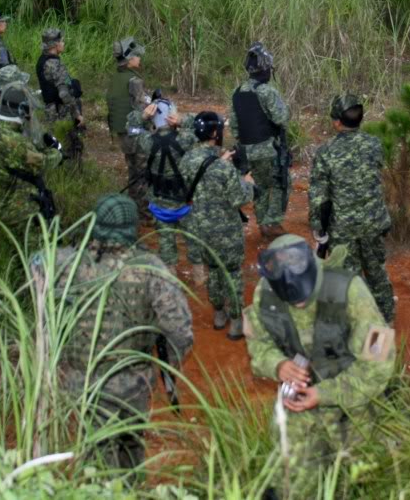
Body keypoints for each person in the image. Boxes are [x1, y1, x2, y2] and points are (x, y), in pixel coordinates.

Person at [45, 193, 193, 475]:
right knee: (130, 448)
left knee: (96, 455)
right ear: (133, 227)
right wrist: (165, 365)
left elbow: (43, 306)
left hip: (81, 381)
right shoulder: (150, 269)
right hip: (132, 382)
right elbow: (179, 330)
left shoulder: (64, 263)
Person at [243, 235, 396, 497]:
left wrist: (325, 394)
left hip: (352, 403)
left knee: (359, 484)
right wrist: (277, 365)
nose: (299, 305)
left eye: (305, 297)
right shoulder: (266, 293)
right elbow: (258, 344)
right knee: (289, 487)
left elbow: (380, 364)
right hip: (297, 406)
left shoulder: (349, 290)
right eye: (292, 301)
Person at [308, 94, 395, 323]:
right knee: (377, 272)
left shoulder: (325, 152)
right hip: (374, 222)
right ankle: (386, 319)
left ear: (336, 122)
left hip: (343, 227)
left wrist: (318, 229)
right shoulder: (374, 144)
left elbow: (319, 196)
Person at [180, 111, 254, 339]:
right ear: (215, 133)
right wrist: (248, 182)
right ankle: (235, 322)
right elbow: (239, 198)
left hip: (200, 228)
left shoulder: (186, 161)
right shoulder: (223, 168)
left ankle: (218, 314)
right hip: (226, 230)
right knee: (231, 273)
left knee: (213, 270)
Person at [130, 97, 204, 277]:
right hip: (184, 202)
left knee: (165, 241)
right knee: (192, 240)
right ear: (172, 117)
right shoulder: (185, 139)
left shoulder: (146, 141)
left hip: (159, 204)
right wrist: (183, 120)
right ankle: (199, 276)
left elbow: (131, 128)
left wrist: (142, 116)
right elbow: (204, 124)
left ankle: (170, 274)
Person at [0, 66, 62, 229]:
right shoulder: (15, 141)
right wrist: (57, 152)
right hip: (20, 208)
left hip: (1, 196)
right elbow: (42, 163)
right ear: (20, 109)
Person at [229, 42, 291, 238]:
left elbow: (234, 126)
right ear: (265, 68)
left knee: (260, 186)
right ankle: (272, 224)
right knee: (282, 183)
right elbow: (281, 118)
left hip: (247, 151)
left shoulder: (237, 92)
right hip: (267, 148)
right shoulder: (267, 91)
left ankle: (263, 223)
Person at [106, 37, 149, 214]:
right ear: (130, 59)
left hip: (122, 131)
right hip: (135, 131)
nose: (139, 59)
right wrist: (151, 108)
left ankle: (133, 206)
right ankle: (144, 212)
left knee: (132, 170)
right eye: (137, 56)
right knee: (142, 172)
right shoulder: (134, 81)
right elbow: (141, 111)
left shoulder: (116, 78)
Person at [36, 28, 85, 158]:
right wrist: (77, 114)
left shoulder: (42, 60)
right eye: (62, 41)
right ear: (55, 45)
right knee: (66, 144)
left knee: (54, 142)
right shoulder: (54, 64)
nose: (63, 44)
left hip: (50, 109)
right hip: (60, 111)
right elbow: (64, 94)